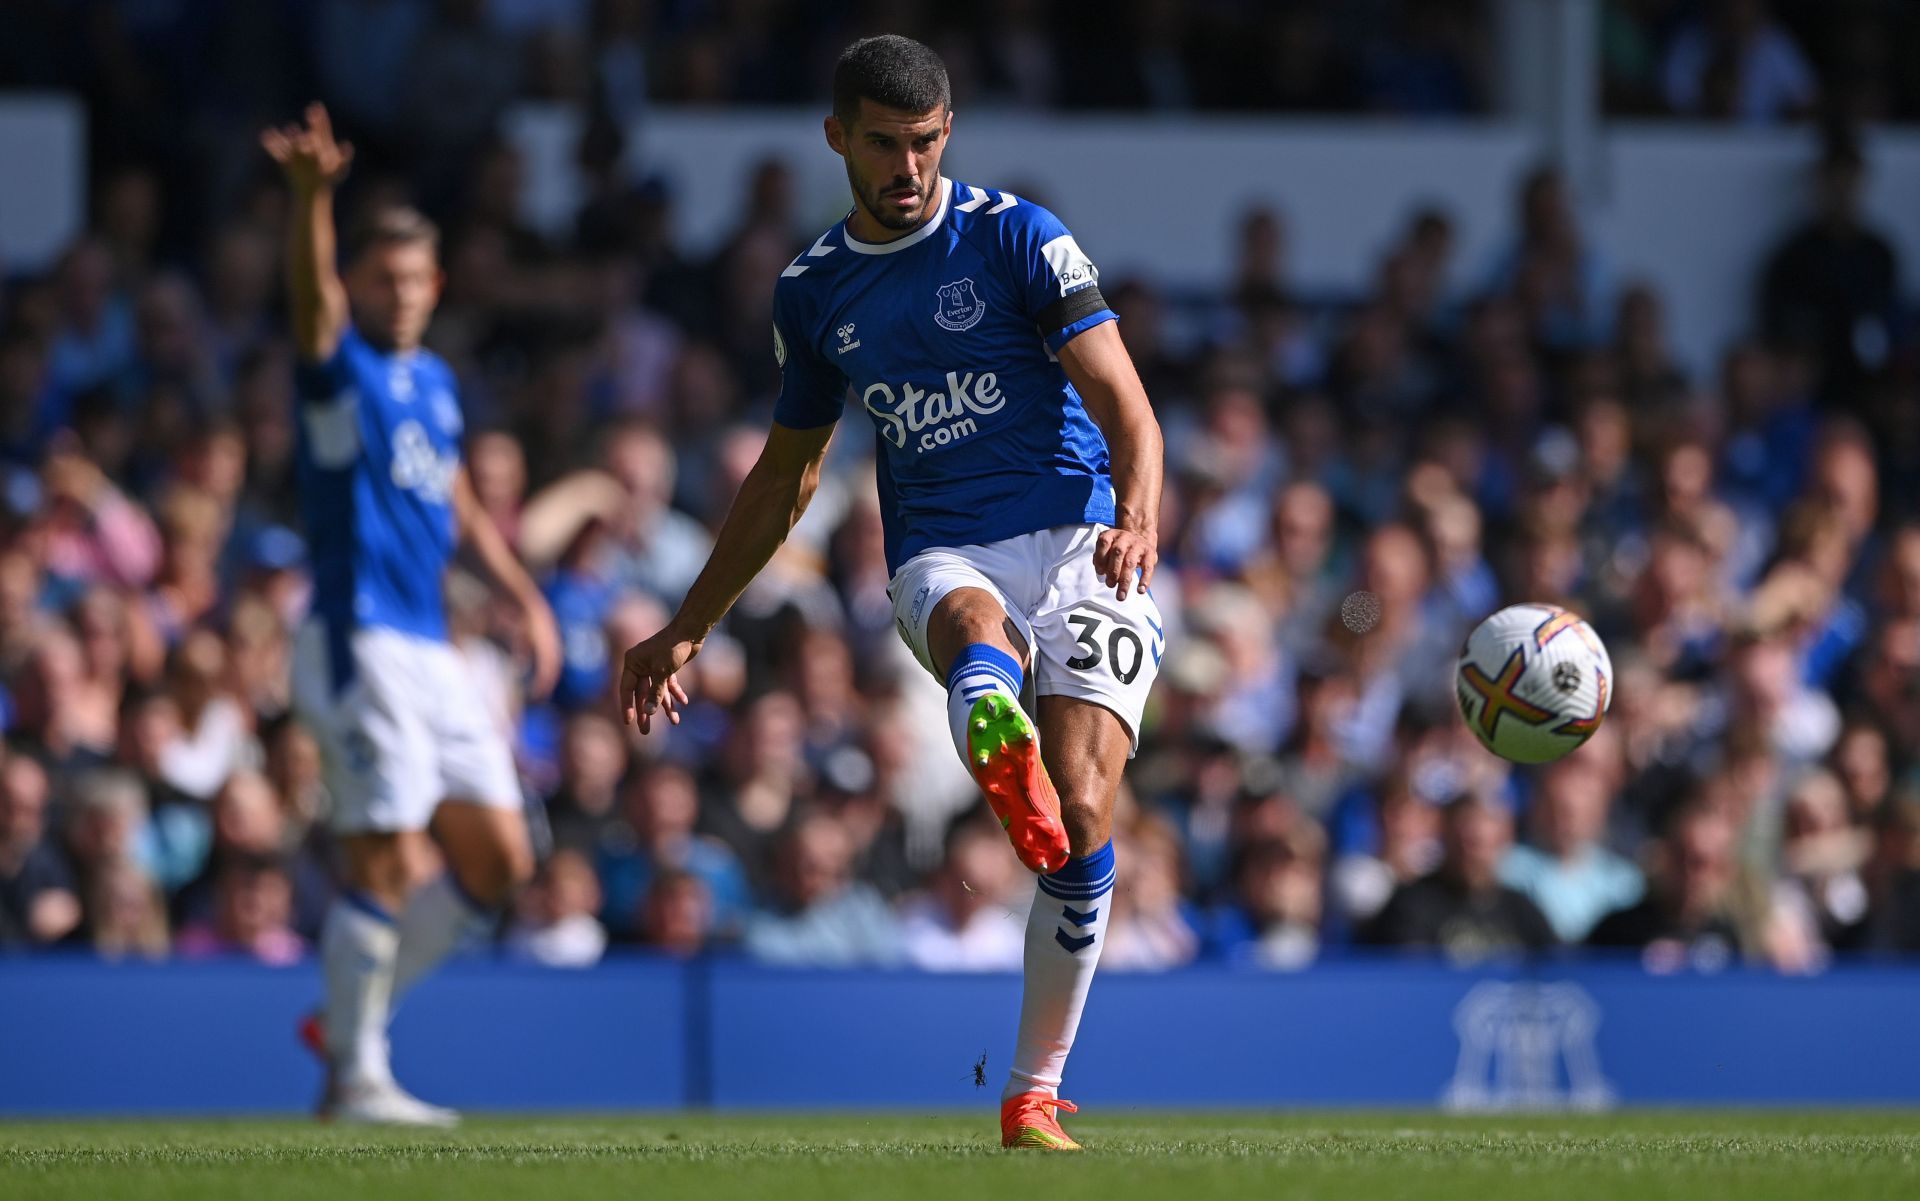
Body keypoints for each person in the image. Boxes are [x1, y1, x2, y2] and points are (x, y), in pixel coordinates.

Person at [618, 35, 1166, 1151]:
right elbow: (788, 477)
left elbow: (1125, 399)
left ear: (947, 133)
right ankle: (986, 714)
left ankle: (1031, 1092)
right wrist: (689, 624)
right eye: (883, 143)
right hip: (942, 551)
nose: (906, 166)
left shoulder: (1018, 237)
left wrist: (1140, 511)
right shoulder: (816, 290)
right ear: (838, 139)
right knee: (971, 625)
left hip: (1080, 540)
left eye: (924, 142)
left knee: (1086, 814)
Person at [261, 105, 561, 1126]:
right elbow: (307, 307)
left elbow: (458, 505)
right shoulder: (337, 370)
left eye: (412, 277)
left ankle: (352, 1014)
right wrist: (312, 201)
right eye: (377, 278)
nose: (398, 292)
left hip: (430, 645)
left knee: (498, 862)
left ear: (437, 288)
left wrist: (519, 593)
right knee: (385, 857)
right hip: (358, 635)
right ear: (356, 287)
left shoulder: (434, 382)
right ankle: (356, 1078)